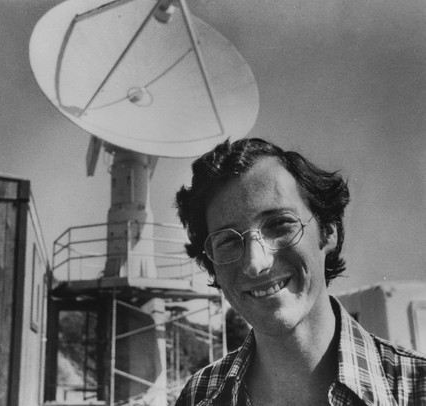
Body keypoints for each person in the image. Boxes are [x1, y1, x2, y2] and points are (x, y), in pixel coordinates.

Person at [174, 137, 426, 405]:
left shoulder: (417, 389)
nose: (255, 263)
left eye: (280, 224)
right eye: (228, 240)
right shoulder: (199, 396)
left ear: (328, 229)